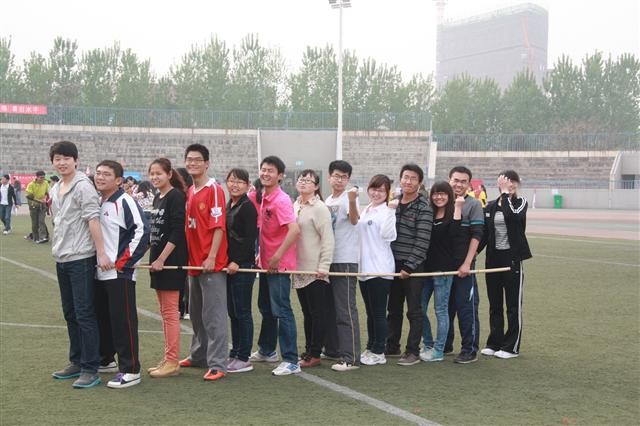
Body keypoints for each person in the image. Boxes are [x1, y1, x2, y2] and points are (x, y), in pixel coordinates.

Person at [48, 140, 111, 389]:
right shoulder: (56, 187)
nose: (62, 162)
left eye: (66, 158)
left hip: (81, 258)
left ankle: (90, 367)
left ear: (76, 160)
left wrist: (101, 253)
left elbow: (93, 220)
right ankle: (76, 361)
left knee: (85, 313)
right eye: (57, 159)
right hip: (62, 257)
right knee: (70, 312)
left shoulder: (83, 186)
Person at [94, 160, 149, 389]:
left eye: (106, 174)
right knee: (103, 319)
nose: (100, 177)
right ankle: (106, 359)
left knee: (123, 321)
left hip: (119, 274)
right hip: (99, 272)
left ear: (118, 180)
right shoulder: (98, 201)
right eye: (98, 173)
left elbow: (143, 231)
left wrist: (122, 263)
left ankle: (130, 369)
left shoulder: (125, 201)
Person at [178, 144, 229, 382]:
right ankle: (199, 355)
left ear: (207, 163)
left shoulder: (214, 190)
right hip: (194, 264)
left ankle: (218, 363)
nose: (193, 163)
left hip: (211, 264)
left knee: (213, 315)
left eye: (197, 160)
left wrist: (212, 256)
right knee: (196, 314)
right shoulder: (191, 190)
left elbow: (218, 227)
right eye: (189, 159)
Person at [249, 156, 301, 376]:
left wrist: (278, 255)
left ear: (280, 176)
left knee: (281, 309)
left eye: (270, 170)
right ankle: (267, 350)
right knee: (266, 307)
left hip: (278, 265)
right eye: (263, 169)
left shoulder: (281, 200)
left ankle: (291, 360)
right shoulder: (262, 197)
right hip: (266, 263)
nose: (265, 173)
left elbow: (294, 230)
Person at [478, 170, 532, 359]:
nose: (510, 184)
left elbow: (513, 217)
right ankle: (494, 343)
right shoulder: (490, 206)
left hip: (512, 261)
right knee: (495, 305)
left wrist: (505, 194)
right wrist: (471, 255)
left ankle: (511, 347)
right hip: (493, 261)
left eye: (513, 181)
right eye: (506, 181)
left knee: (513, 306)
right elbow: (485, 235)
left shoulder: (520, 203)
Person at [385, 163, 433, 366]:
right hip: (392, 264)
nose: (408, 181)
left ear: (419, 183)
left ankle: (412, 351)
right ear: (400, 179)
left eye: (413, 178)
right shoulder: (393, 203)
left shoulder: (424, 207)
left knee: (414, 310)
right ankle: (391, 345)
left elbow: (422, 241)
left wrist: (409, 266)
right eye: (405, 177)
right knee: (393, 308)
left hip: (412, 267)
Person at [147, 158, 188, 378]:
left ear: (169, 174)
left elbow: (177, 231)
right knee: (164, 312)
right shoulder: (157, 197)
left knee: (171, 312)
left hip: (170, 262)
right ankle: (168, 358)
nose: (154, 177)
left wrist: (162, 259)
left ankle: (172, 361)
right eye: (152, 173)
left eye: (159, 173)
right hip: (157, 261)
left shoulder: (176, 196)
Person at [293, 169, 334, 369]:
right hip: (298, 269)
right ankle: (309, 350)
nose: (303, 183)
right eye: (301, 179)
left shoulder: (320, 208)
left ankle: (315, 352)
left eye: (309, 181)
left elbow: (328, 239)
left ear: (316, 186)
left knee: (318, 313)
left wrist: (324, 266)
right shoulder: (295, 205)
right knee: (307, 312)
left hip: (315, 270)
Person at [324, 160, 362, 372]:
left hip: (345, 260)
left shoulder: (349, 198)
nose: (340, 180)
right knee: (331, 309)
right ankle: (334, 349)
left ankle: (351, 357)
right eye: (337, 176)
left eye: (344, 177)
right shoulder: (328, 200)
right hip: (329, 259)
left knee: (345, 309)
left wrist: (353, 201)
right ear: (329, 177)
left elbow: (354, 220)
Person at [419, 181, 464, 362]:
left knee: (440, 310)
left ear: (449, 195)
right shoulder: (429, 213)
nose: (439, 197)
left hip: (444, 271)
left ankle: (438, 350)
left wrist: (458, 208)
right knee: (419, 307)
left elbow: (454, 234)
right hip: (426, 269)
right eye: (436, 194)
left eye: (443, 193)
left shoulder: (454, 213)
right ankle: (428, 343)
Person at [445, 166, 485, 364]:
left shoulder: (474, 204)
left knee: (466, 308)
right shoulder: (442, 201)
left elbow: (477, 236)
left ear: (469, 184)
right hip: (445, 268)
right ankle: (445, 344)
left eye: (463, 181)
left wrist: (467, 263)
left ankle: (469, 349)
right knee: (445, 308)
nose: (458, 184)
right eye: (455, 180)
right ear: (449, 180)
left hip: (464, 269)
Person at [358, 175, 397, 366]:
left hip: (380, 269)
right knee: (370, 312)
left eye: (381, 190)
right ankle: (371, 346)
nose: (376, 193)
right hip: (364, 269)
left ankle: (379, 351)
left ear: (387, 193)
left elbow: (388, 235)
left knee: (379, 313)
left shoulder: (386, 211)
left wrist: (391, 211)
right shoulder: (366, 209)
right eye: (374, 189)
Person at [225, 168, 258, 374]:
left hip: (242, 267)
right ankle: (235, 352)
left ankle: (244, 356)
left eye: (239, 182)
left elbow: (249, 238)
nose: (234, 185)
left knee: (243, 312)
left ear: (247, 185)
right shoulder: (229, 204)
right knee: (233, 312)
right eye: (231, 181)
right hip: (228, 266)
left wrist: (237, 261)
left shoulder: (247, 207)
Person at [176, 167, 193, 319]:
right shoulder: (177, 196)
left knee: (187, 277)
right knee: (180, 276)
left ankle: (187, 308)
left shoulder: (189, 195)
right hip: (179, 241)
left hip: (189, 240)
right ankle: (180, 307)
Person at [25, 170, 49, 243]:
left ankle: (43, 237)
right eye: (41, 178)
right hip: (34, 205)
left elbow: (46, 192)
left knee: (41, 221)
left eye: (43, 177)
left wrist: (45, 198)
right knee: (35, 222)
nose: (42, 179)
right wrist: (39, 200)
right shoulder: (31, 184)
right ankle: (36, 238)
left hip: (42, 205)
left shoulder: (46, 183)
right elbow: (29, 196)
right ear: (37, 177)